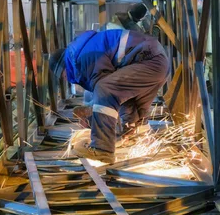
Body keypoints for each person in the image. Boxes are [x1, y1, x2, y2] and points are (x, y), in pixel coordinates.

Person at [49, 28, 169, 163]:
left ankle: (102, 149)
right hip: (157, 62)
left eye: (63, 76)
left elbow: (106, 94)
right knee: (131, 103)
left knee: (104, 89)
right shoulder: (84, 51)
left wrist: (90, 116)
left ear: (64, 67)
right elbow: (119, 93)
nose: (66, 79)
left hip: (148, 60)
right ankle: (137, 135)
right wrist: (127, 123)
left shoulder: (83, 57)